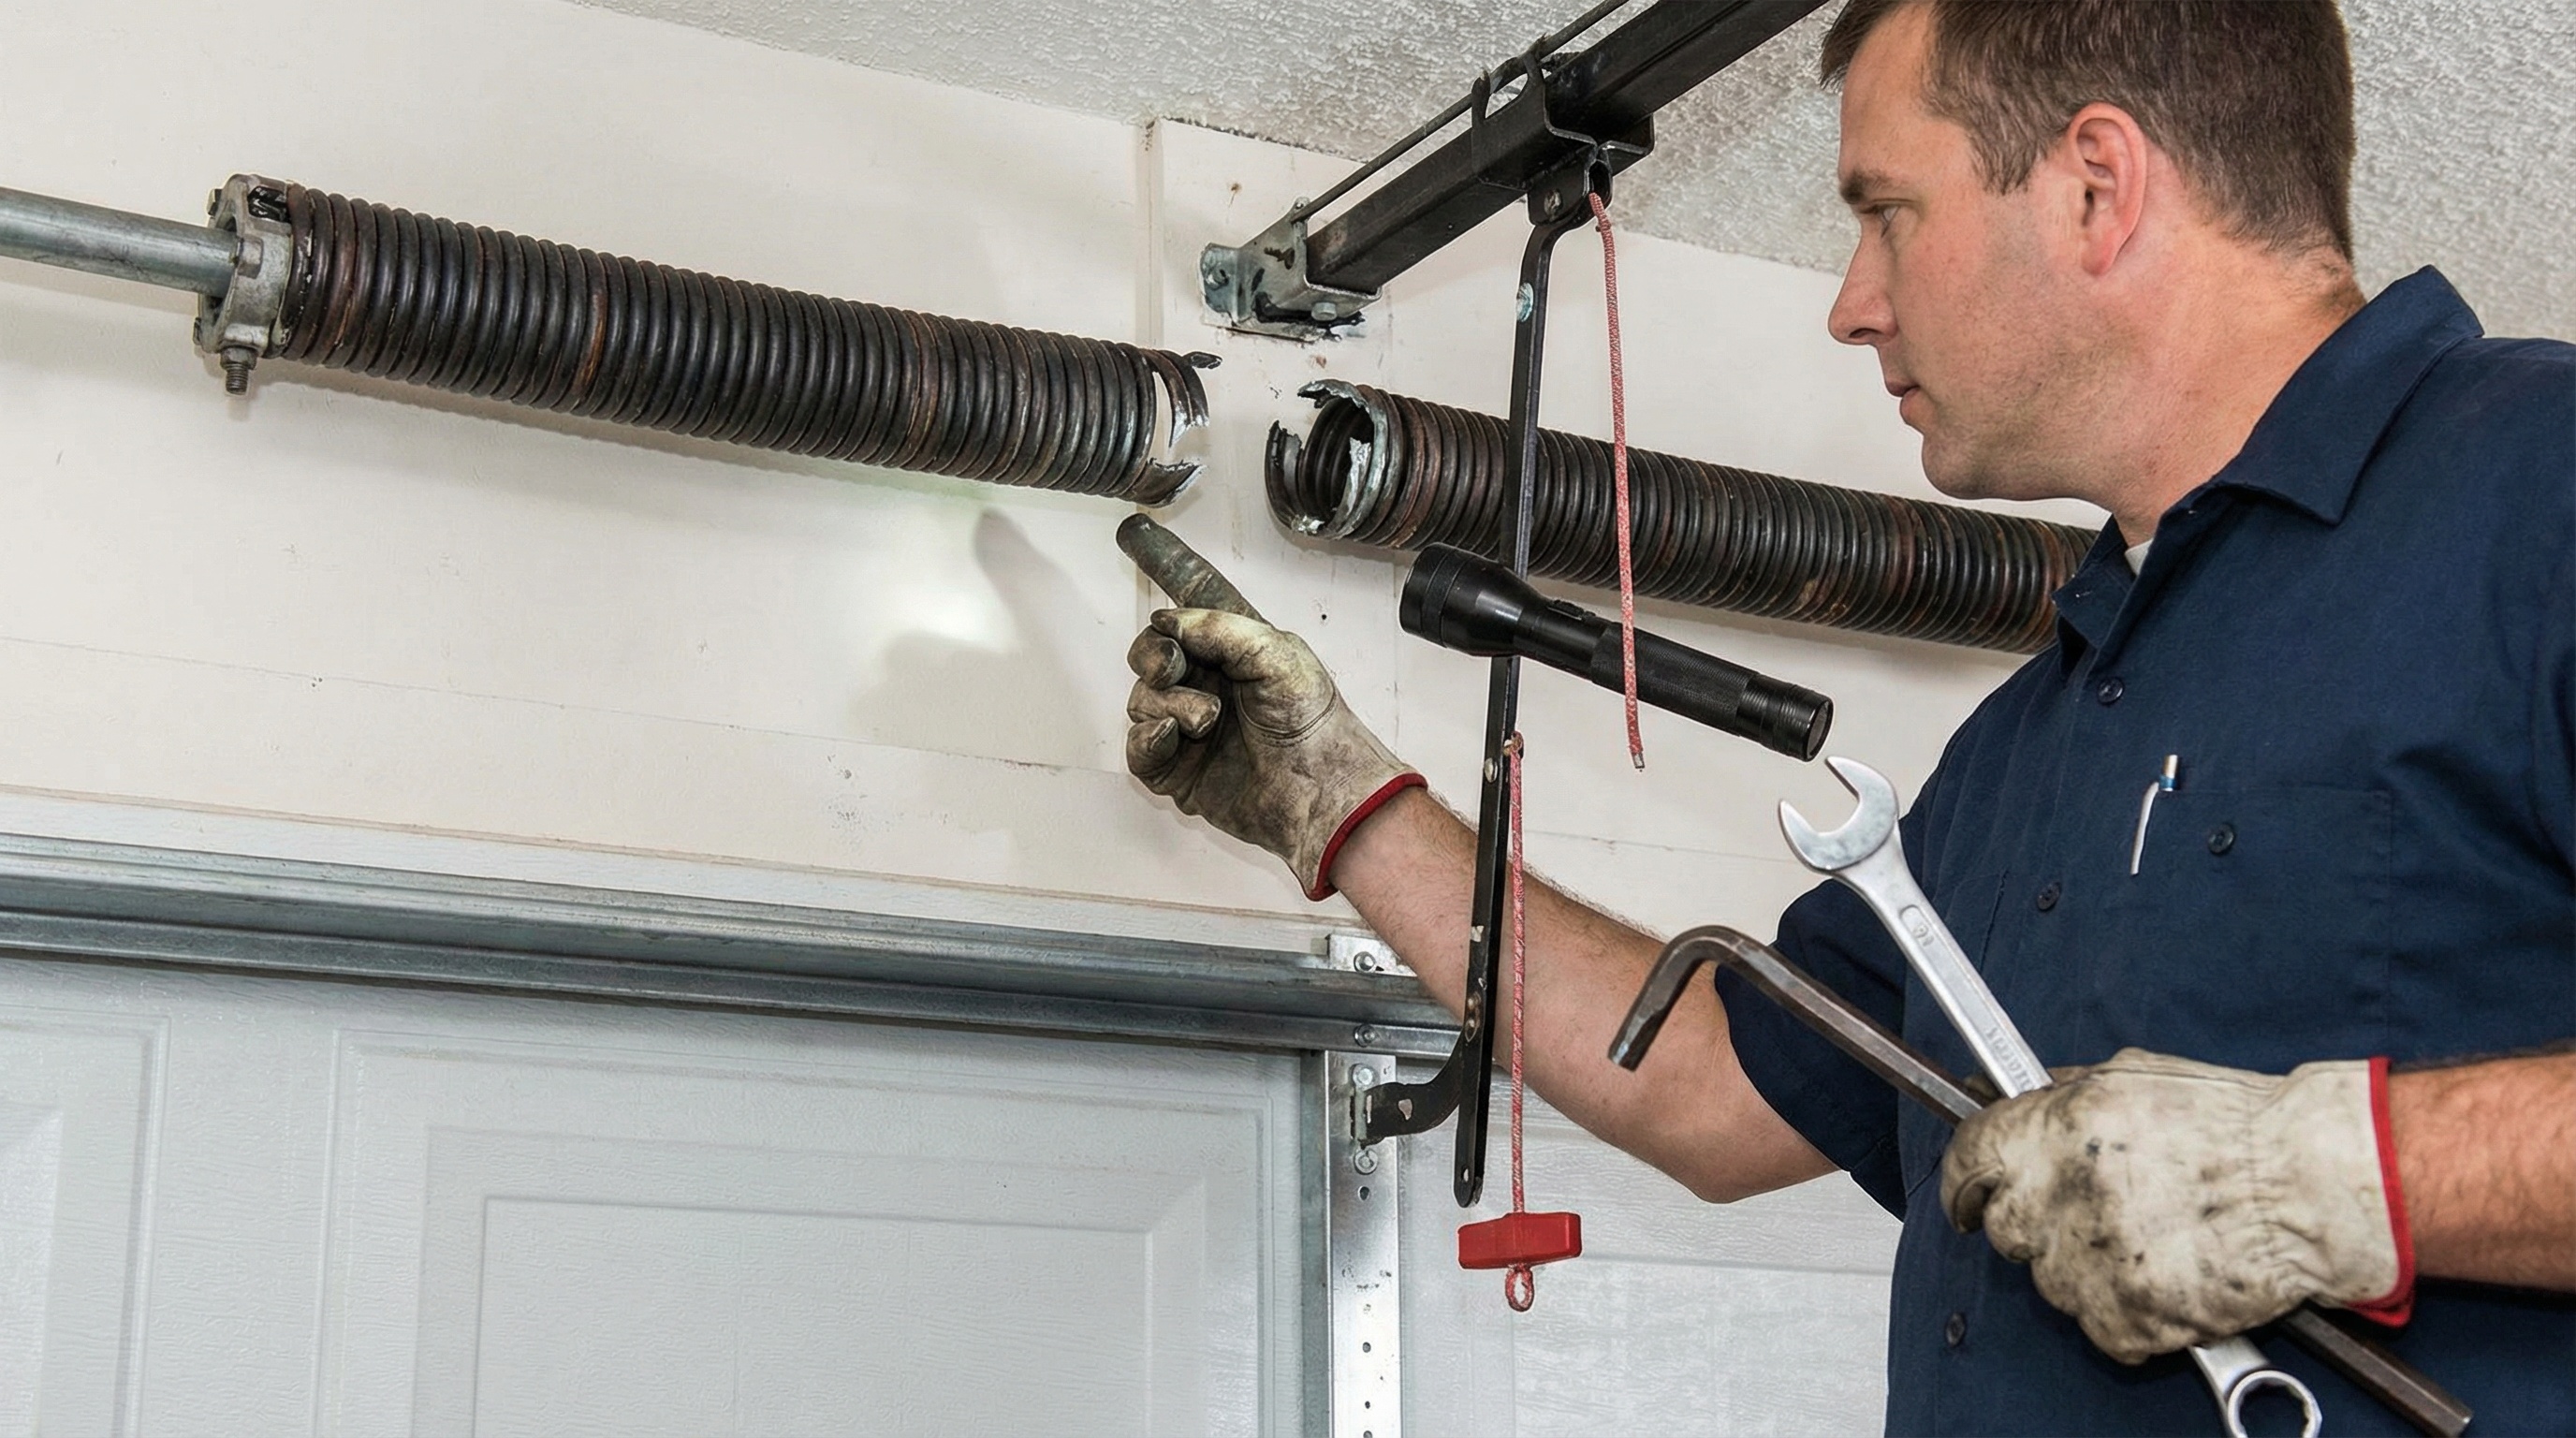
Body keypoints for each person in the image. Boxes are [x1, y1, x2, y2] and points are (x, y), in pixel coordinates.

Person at [1120, 1, 2574, 1431]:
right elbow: (1699, 1086)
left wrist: (2323, 1177)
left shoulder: (2536, 489)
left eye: (1887, 212)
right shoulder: (2039, 739)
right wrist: (1341, 804)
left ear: (2097, 185)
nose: (1849, 300)